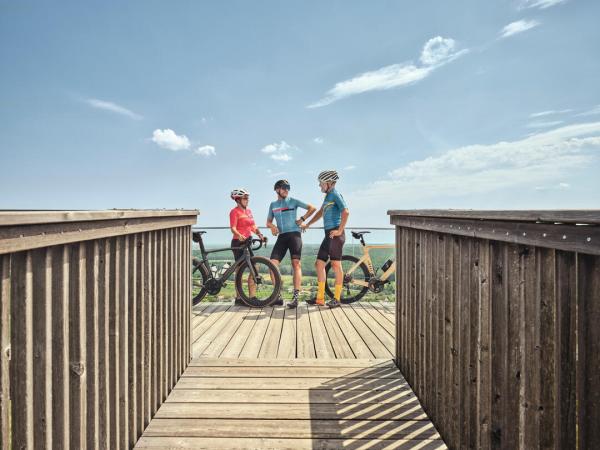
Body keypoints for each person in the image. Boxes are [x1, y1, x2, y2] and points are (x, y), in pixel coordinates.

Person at [300, 170, 349, 308]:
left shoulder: (335, 194)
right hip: (328, 234)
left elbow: (346, 211)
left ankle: (337, 299)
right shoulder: (328, 196)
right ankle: (320, 298)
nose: (319, 186)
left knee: (335, 265)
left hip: (335, 235)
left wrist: (339, 230)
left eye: (321, 183)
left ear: (329, 183)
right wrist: (308, 224)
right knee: (319, 264)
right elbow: (321, 212)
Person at [266, 179, 316, 309]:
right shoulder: (273, 205)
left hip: (294, 235)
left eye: (288, 188)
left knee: (296, 264)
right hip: (282, 237)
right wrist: (272, 226)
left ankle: (296, 297)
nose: (287, 190)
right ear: (277, 189)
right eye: (284, 187)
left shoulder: (293, 201)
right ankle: (277, 296)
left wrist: (302, 219)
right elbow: (268, 222)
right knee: (272, 265)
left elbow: (312, 208)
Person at [229, 188, 266, 306]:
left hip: (247, 242)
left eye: (247, 198)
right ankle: (239, 298)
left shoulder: (248, 211)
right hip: (238, 243)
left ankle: (252, 297)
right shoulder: (234, 212)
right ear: (238, 200)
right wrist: (239, 235)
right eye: (245, 198)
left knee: (254, 267)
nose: (247, 200)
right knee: (239, 270)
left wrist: (260, 235)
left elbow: (253, 226)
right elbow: (233, 228)